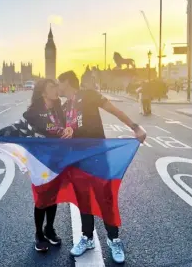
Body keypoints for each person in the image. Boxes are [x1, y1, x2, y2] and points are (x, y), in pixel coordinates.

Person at [58, 70, 146, 264]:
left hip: (98, 156)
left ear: (67, 83)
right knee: (83, 200)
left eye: (59, 84)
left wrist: (135, 126)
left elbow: (113, 109)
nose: (58, 88)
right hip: (78, 160)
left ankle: (114, 239)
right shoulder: (65, 107)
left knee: (105, 198)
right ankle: (87, 238)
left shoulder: (88, 95)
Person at [0, 79, 71, 252]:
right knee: (41, 196)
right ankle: (39, 233)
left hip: (56, 158)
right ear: (43, 92)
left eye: (56, 86)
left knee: (53, 196)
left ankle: (49, 228)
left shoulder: (61, 109)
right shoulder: (33, 113)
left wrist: (69, 130)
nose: (56, 90)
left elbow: (68, 126)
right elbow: (17, 128)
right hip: (38, 160)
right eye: (52, 87)